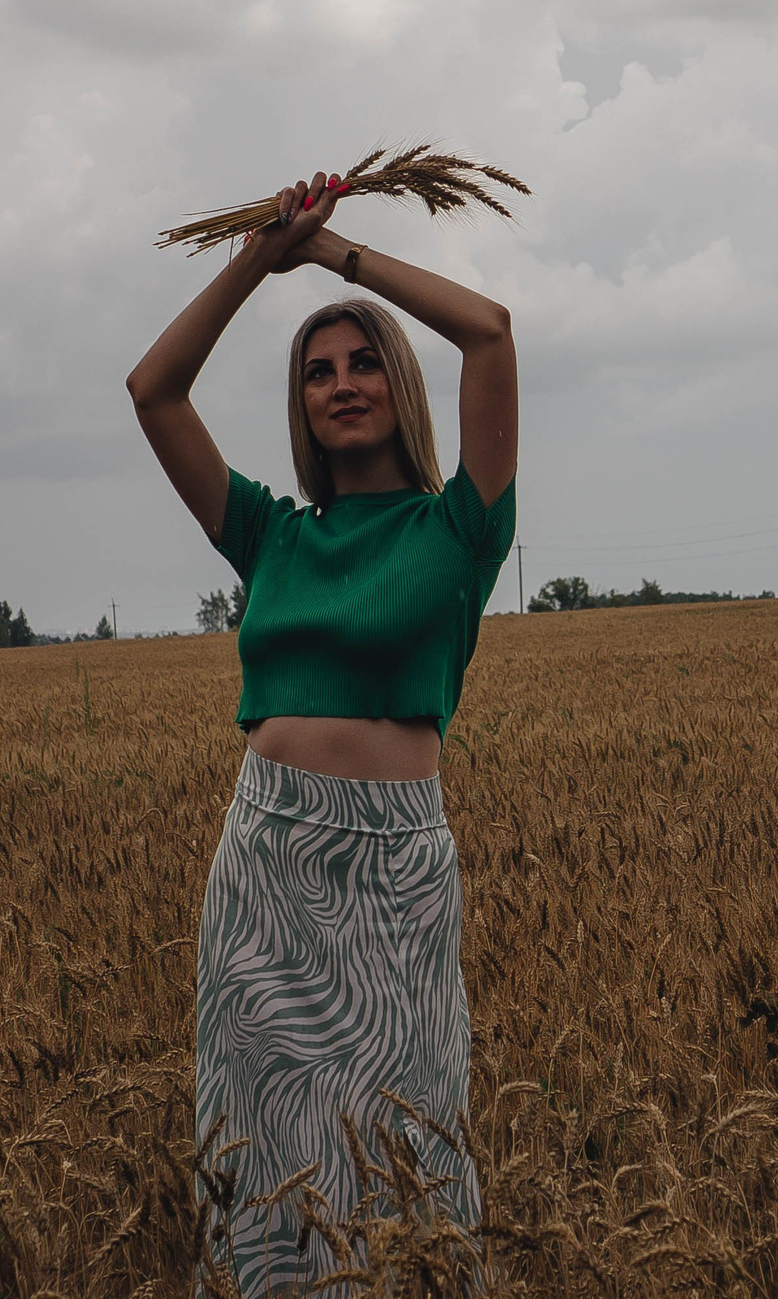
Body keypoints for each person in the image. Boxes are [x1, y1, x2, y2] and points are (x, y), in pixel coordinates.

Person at [126, 169, 517, 1293]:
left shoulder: (461, 530)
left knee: (405, 1137)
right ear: (299, 405)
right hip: (266, 863)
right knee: (263, 1154)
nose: (340, 385)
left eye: (360, 364)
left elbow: (488, 334)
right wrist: (261, 258)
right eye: (315, 374)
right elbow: (155, 392)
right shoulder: (270, 535)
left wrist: (337, 257)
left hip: (395, 869)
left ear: (398, 383)